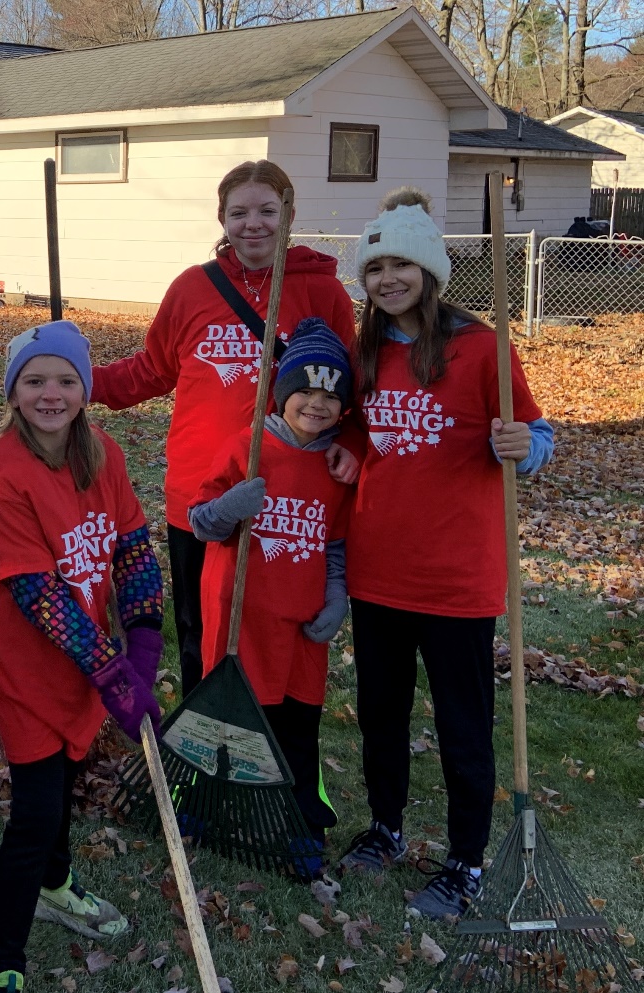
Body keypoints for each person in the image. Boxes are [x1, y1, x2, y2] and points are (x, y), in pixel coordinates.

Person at [335, 188, 553, 920]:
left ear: (428, 271)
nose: (387, 278)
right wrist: (344, 456)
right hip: (377, 570)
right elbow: (364, 439)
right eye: (374, 268)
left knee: (463, 724)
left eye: (400, 264)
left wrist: (525, 449)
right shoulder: (364, 353)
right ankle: (386, 826)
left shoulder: (481, 347)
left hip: (457, 578)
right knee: (381, 711)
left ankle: (463, 861)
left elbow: (536, 433)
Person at [92, 160, 358, 700]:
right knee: (199, 630)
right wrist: (80, 381)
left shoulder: (322, 293)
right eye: (239, 212)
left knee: (278, 626)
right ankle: (201, 750)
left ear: (288, 215)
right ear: (221, 217)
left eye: (266, 210)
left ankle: (273, 749)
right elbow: (153, 367)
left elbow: (350, 388)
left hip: (286, 500)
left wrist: (350, 443)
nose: (252, 224)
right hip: (201, 492)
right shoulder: (193, 288)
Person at [0, 320, 164, 993]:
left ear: (84, 388)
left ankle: (55, 885)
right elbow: (38, 594)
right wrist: (113, 672)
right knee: (34, 812)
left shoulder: (101, 452)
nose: (50, 392)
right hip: (28, 668)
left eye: (64, 379)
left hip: (86, 658)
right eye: (33, 380)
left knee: (64, 783)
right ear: (13, 392)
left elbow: (134, 550)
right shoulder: (2, 475)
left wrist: (142, 644)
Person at [188, 320, 355, 882]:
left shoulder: (337, 469)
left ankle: (302, 822)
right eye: (304, 391)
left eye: (331, 396)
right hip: (240, 615)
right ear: (281, 394)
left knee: (296, 723)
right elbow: (202, 523)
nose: (316, 404)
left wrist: (337, 598)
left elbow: (334, 544)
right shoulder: (247, 446)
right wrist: (231, 505)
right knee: (226, 715)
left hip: (300, 621)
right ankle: (202, 805)